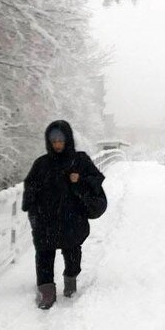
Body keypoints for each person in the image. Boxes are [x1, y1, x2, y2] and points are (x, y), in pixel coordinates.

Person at [22, 121, 105, 309]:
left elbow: (96, 181)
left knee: (72, 251)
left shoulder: (80, 160)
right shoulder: (41, 164)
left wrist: (80, 180)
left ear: (67, 139)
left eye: (61, 140)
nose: (57, 144)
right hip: (45, 220)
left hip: (72, 218)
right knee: (43, 254)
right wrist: (34, 215)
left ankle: (70, 280)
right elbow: (30, 190)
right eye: (53, 141)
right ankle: (47, 292)